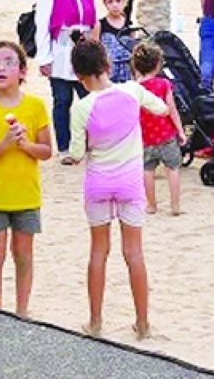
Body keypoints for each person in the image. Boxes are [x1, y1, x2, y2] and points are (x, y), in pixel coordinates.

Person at [68, 39, 170, 340]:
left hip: (98, 181)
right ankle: (143, 323)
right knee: (134, 253)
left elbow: (76, 153)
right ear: (108, 65)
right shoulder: (131, 91)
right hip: (129, 182)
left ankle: (96, 320)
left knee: (98, 252)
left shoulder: (82, 107)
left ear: (78, 75)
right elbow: (162, 109)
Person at [0, 41, 53, 316]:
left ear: (23, 71)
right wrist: (4, 143)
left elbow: (47, 150)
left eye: (9, 62)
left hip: (26, 197)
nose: (1, 68)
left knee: (24, 255)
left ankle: (22, 312)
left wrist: (25, 145)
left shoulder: (36, 107)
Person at [35, 0, 97, 165]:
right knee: (62, 101)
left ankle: (89, 145)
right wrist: (44, 59)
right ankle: (64, 147)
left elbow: (92, 22)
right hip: (60, 52)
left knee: (89, 100)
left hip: (83, 54)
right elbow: (42, 26)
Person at [131, 42, 186, 216]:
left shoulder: (134, 89)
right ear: (158, 65)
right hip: (166, 134)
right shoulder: (163, 84)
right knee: (173, 169)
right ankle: (175, 205)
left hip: (145, 137)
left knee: (147, 171)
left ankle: (152, 205)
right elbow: (172, 110)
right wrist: (180, 131)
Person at [92, 0, 134, 84]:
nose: (115, 5)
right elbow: (95, 51)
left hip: (128, 74)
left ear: (124, 2)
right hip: (108, 74)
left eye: (118, 1)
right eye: (110, 1)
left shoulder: (129, 25)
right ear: (105, 4)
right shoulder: (99, 25)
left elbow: (134, 50)